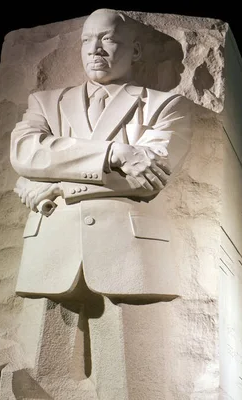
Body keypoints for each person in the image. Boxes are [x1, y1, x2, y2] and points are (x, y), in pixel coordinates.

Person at [10, 8, 192, 300]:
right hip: (50, 249)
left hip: (129, 254)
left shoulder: (166, 105)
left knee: (131, 347)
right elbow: (25, 153)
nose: (94, 49)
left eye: (107, 39)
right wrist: (114, 153)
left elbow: (149, 178)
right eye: (86, 40)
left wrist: (54, 186)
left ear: (134, 51)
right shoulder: (45, 103)